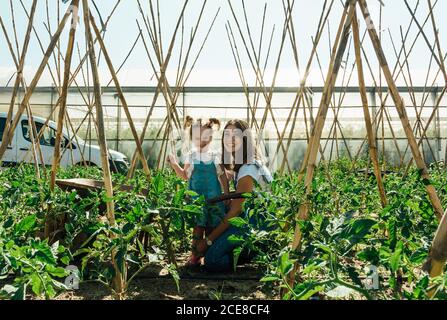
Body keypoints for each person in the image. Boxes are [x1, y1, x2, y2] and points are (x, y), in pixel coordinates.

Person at [195, 119, 273, 272]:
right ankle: (241, 250)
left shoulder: (248, 170)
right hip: (258, 220)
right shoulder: (247, 163)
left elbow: (234, 213)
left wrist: (208, 241)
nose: (230, 139)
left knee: (212, 260)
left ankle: (253, 250)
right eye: (227, 134)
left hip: (257, 225)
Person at [168, 116, 229, 267]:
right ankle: (195, 255)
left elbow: (222, 176)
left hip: (214, 199)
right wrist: (175, 164)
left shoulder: (215, 156)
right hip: (196, 200)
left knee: (211, 228)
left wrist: (226, 194)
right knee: (198, 228)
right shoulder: (192, 155)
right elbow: (184, 175)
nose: (202, 139)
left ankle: (208, 254)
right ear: (192, 138)